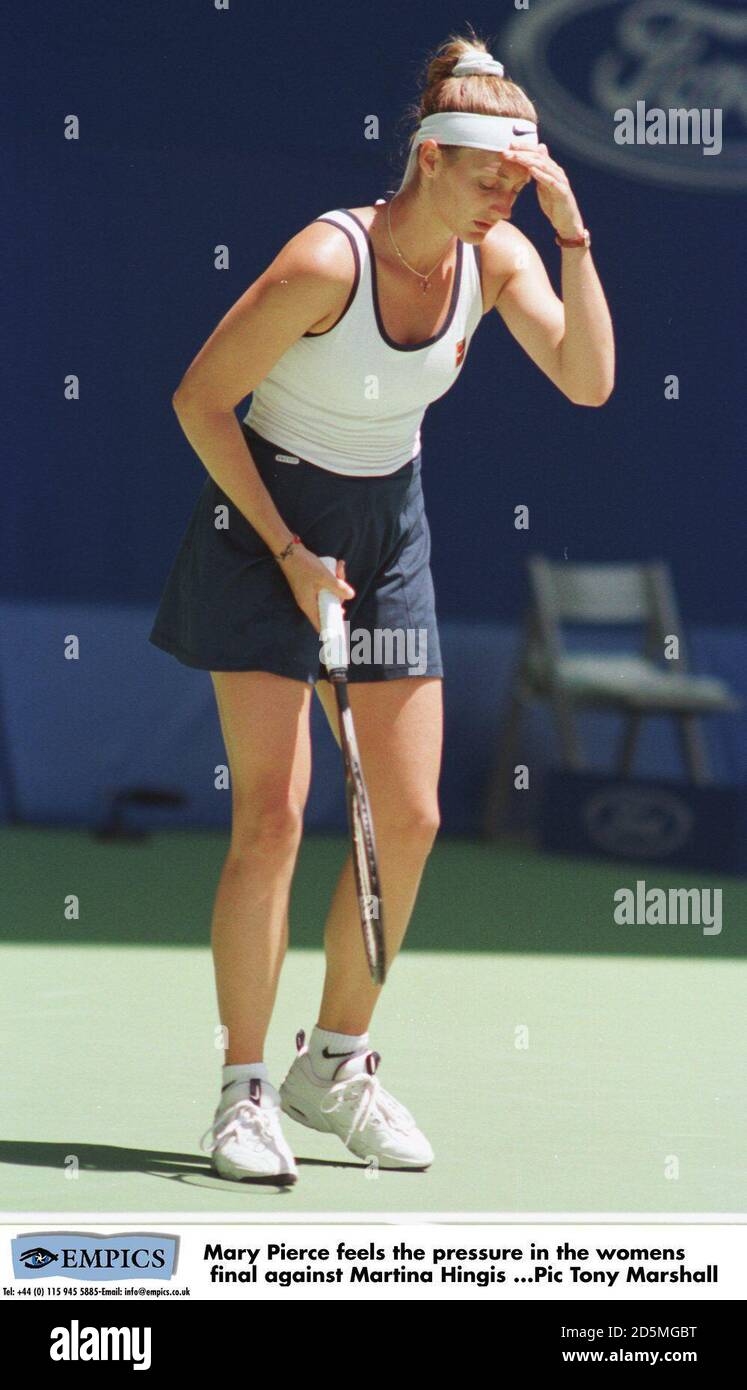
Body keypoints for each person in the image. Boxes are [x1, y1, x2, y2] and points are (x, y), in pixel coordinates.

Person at [149, 32, 615, 1185]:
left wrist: (571, 233)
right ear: (428, 159)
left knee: (406, 819)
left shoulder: (499, 257)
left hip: (386, 532)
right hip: (262, 526)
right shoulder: (323, 260)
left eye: (519, 178)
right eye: (490, 176)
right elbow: (202, 403)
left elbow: (592, 378)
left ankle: (335, 1064)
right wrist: (293, 550)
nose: (504, 194)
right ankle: (242, 1093)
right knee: (271, 817)